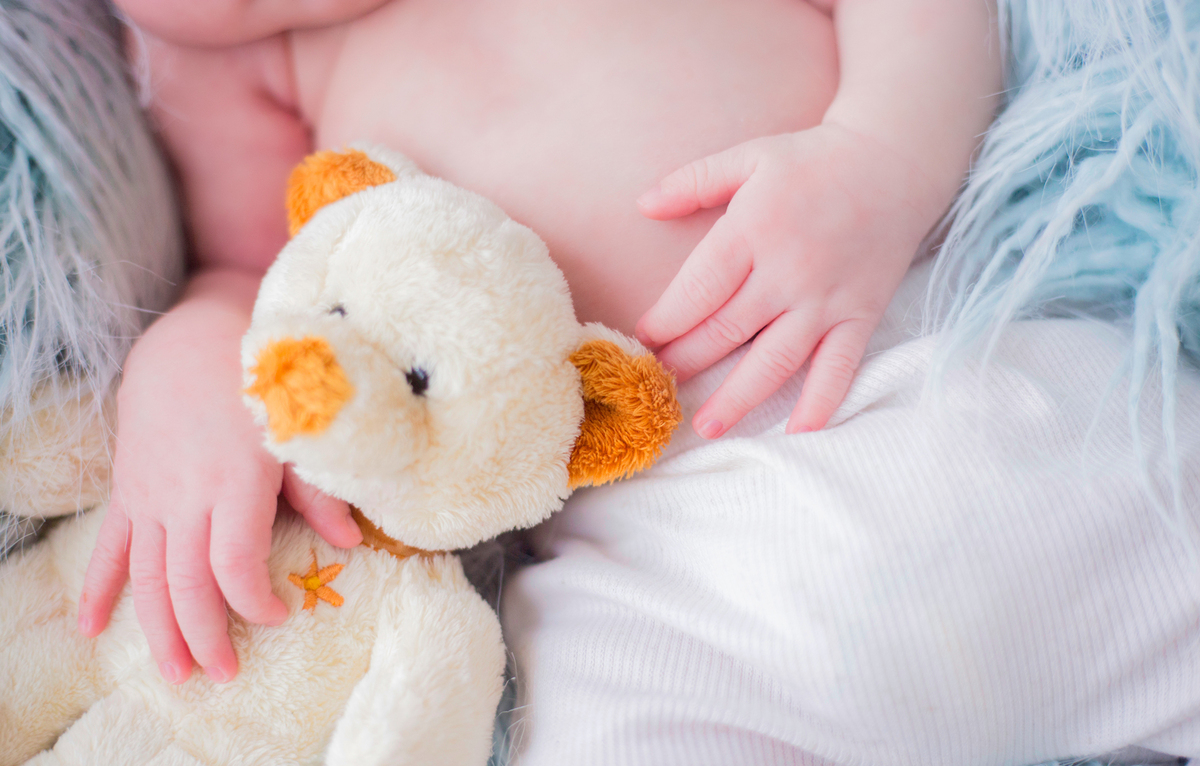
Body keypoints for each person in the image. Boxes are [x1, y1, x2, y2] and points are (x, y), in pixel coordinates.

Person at [77, 0, 1001, 687]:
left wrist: (880, 154)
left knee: (1087, 503)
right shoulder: (219, 54)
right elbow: (254, 271)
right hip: (630, 522)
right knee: (597, 747)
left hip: (905, 337)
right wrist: (188, 360)